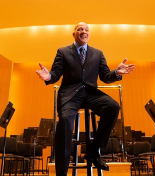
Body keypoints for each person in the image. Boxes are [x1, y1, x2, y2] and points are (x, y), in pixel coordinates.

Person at [36, 22, 135, 176]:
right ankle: (61, 172)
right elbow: (55, 73)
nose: (84, 31)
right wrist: (48, 76)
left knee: (113, 106)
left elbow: (105, 77)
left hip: (90, 94)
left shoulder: (98, 53)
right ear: (74, 33)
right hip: (69, 95)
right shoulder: (63, 51)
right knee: (65, 122)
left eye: (87, 30)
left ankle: (94, 150)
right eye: (80, 29)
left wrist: (116, 72)